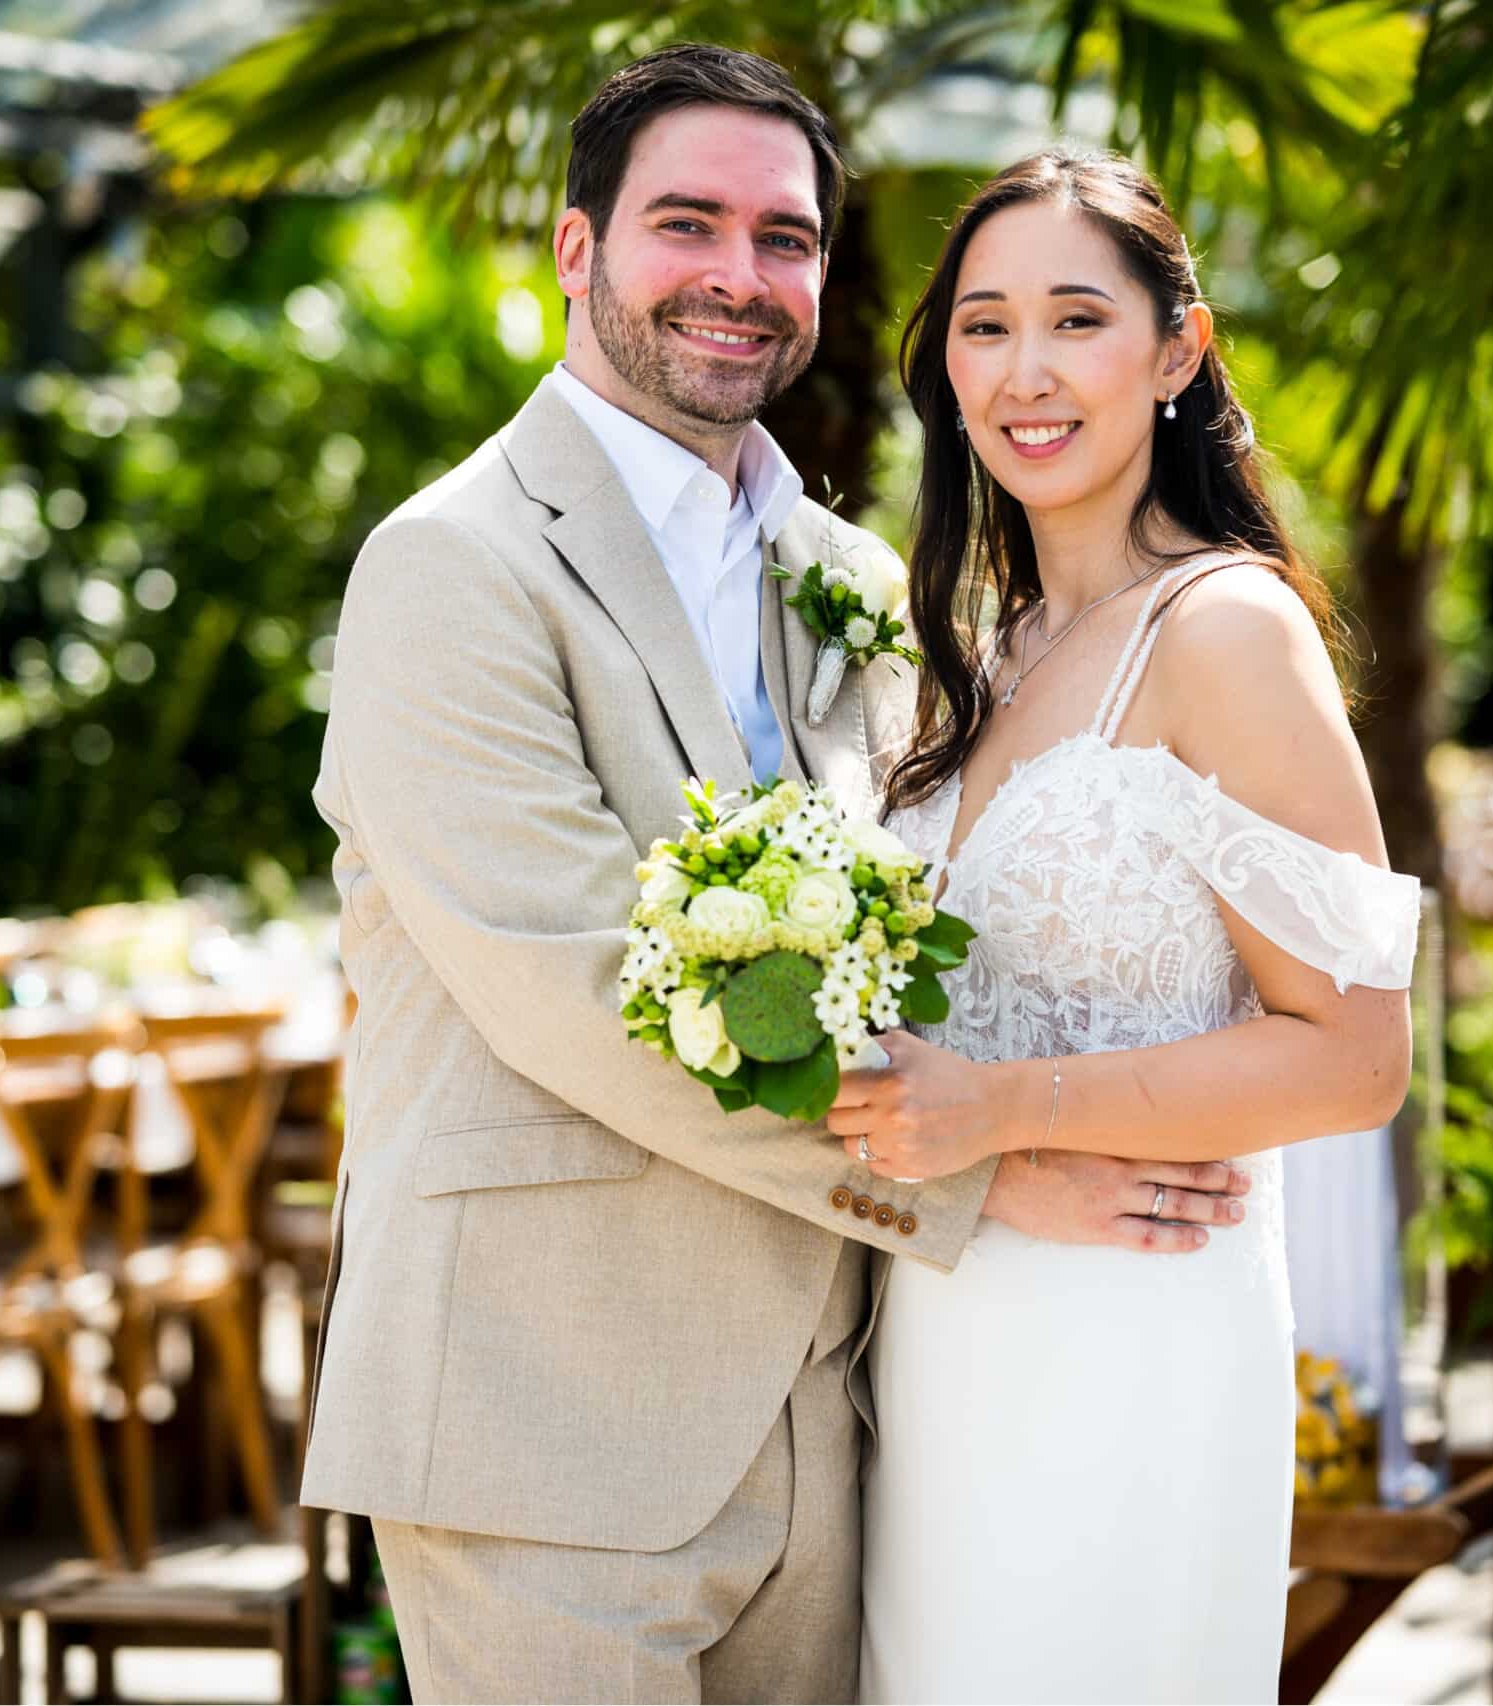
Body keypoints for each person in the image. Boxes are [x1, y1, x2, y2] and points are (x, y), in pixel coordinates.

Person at [304, 50, 1254, 1703]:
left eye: (787, 238)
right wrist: (979, 1176)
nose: (742, 277)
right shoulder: (450, 565)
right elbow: (581, 988)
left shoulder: (857, 577)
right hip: (552, 1428)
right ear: (578, 249)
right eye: (689, 224)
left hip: (839, 1426)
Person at [834, 148, 1421, 1702]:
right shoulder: (981, 654)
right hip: (941, 1333)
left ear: (1178, 350)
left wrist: (1009, 1108)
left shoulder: (1224, 628)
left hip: (1132, 1332)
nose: (1024, 372)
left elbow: (1359, 1054)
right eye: (983, 326)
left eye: (1075, 320)